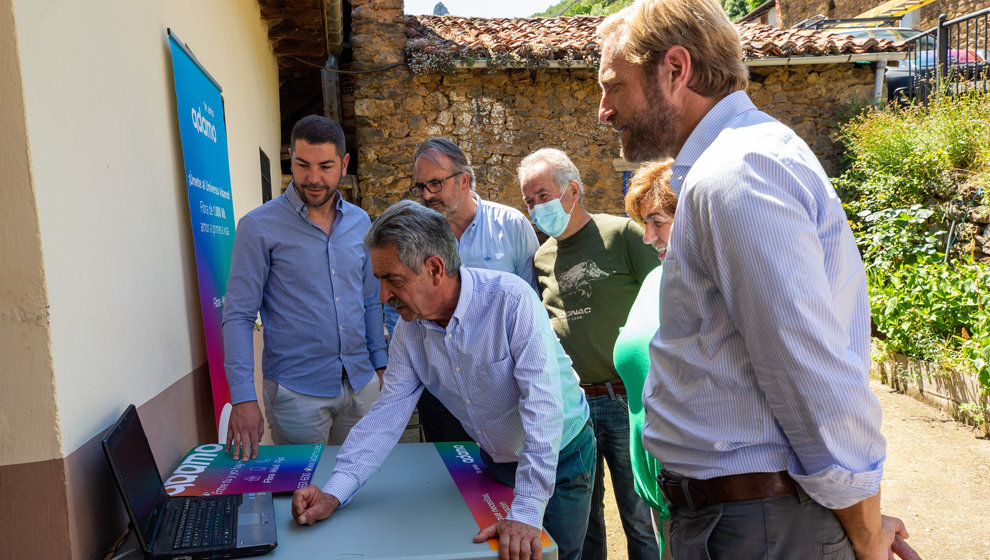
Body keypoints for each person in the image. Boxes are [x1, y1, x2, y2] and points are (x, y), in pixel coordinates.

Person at [596, 2, 920, 559]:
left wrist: (864, 530)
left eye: (613, 86)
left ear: (675, 69)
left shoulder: (736, 172)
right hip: (749, 519)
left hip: (758, 525)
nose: (604, 110)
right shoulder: (736, 163)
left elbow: (808, 369)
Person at [290, 200, 595, 560]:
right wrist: (334, 492)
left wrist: (527, 510)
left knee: (553, 555)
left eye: (393, 280)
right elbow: (386, 416)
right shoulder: (409, 331)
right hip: (498, 461)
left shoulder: (510, 301)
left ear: (434, 268)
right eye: (379, 280)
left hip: (561, 456)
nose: (384, 296)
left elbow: (542, 408)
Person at [519, 148, 660, 560]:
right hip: (575, 405)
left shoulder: (623, 235)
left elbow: (663, 298)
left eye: (543, 195)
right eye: (529, 201)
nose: (536, 208)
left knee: (639, 514)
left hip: (626, 399)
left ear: (573, 190)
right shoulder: (542, 257)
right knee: (586, 517)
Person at [222, 115, 387, 461]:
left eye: (325, 166)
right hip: (296, 395)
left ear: (343, 164)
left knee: (359, 489)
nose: (313, 178)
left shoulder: (360, 222)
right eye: (302, 165)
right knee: (301, 496)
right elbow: (237, 316)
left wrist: (381, 369)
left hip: (360, 385)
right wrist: (243, 397)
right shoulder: (258, 227)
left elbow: (371, 302)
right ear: (291, 161)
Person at [407, 137, 540, 443]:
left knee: (505, 479)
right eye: (420, 186)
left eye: (435, 184)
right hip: (441, 391)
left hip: (502, 390)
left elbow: (532, 306)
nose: (426, 195)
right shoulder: (415, 239)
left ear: (464, 180)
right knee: (450, 479)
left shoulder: (511, 226)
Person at [614, 160, 677, 558]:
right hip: (655, 486)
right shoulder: (656, 278)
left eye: (657, 221)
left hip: (700, 494)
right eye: (644, 223)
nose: (647, 235)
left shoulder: (712, 287)